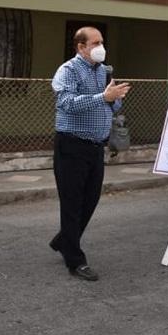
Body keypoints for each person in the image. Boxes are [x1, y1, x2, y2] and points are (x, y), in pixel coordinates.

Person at [50, 26, 130, 281]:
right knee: (72, 203)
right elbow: (66, 103)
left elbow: (112, 104)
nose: (100, 47)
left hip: (96, 147)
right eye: (95, 43)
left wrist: (115, 97)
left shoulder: (104, 71)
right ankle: (75, 260)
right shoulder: (68, 70)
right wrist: (102, 97)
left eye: (102, 42)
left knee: (90, 200)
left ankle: (65, 240)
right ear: (81, 47)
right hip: (72, 146)